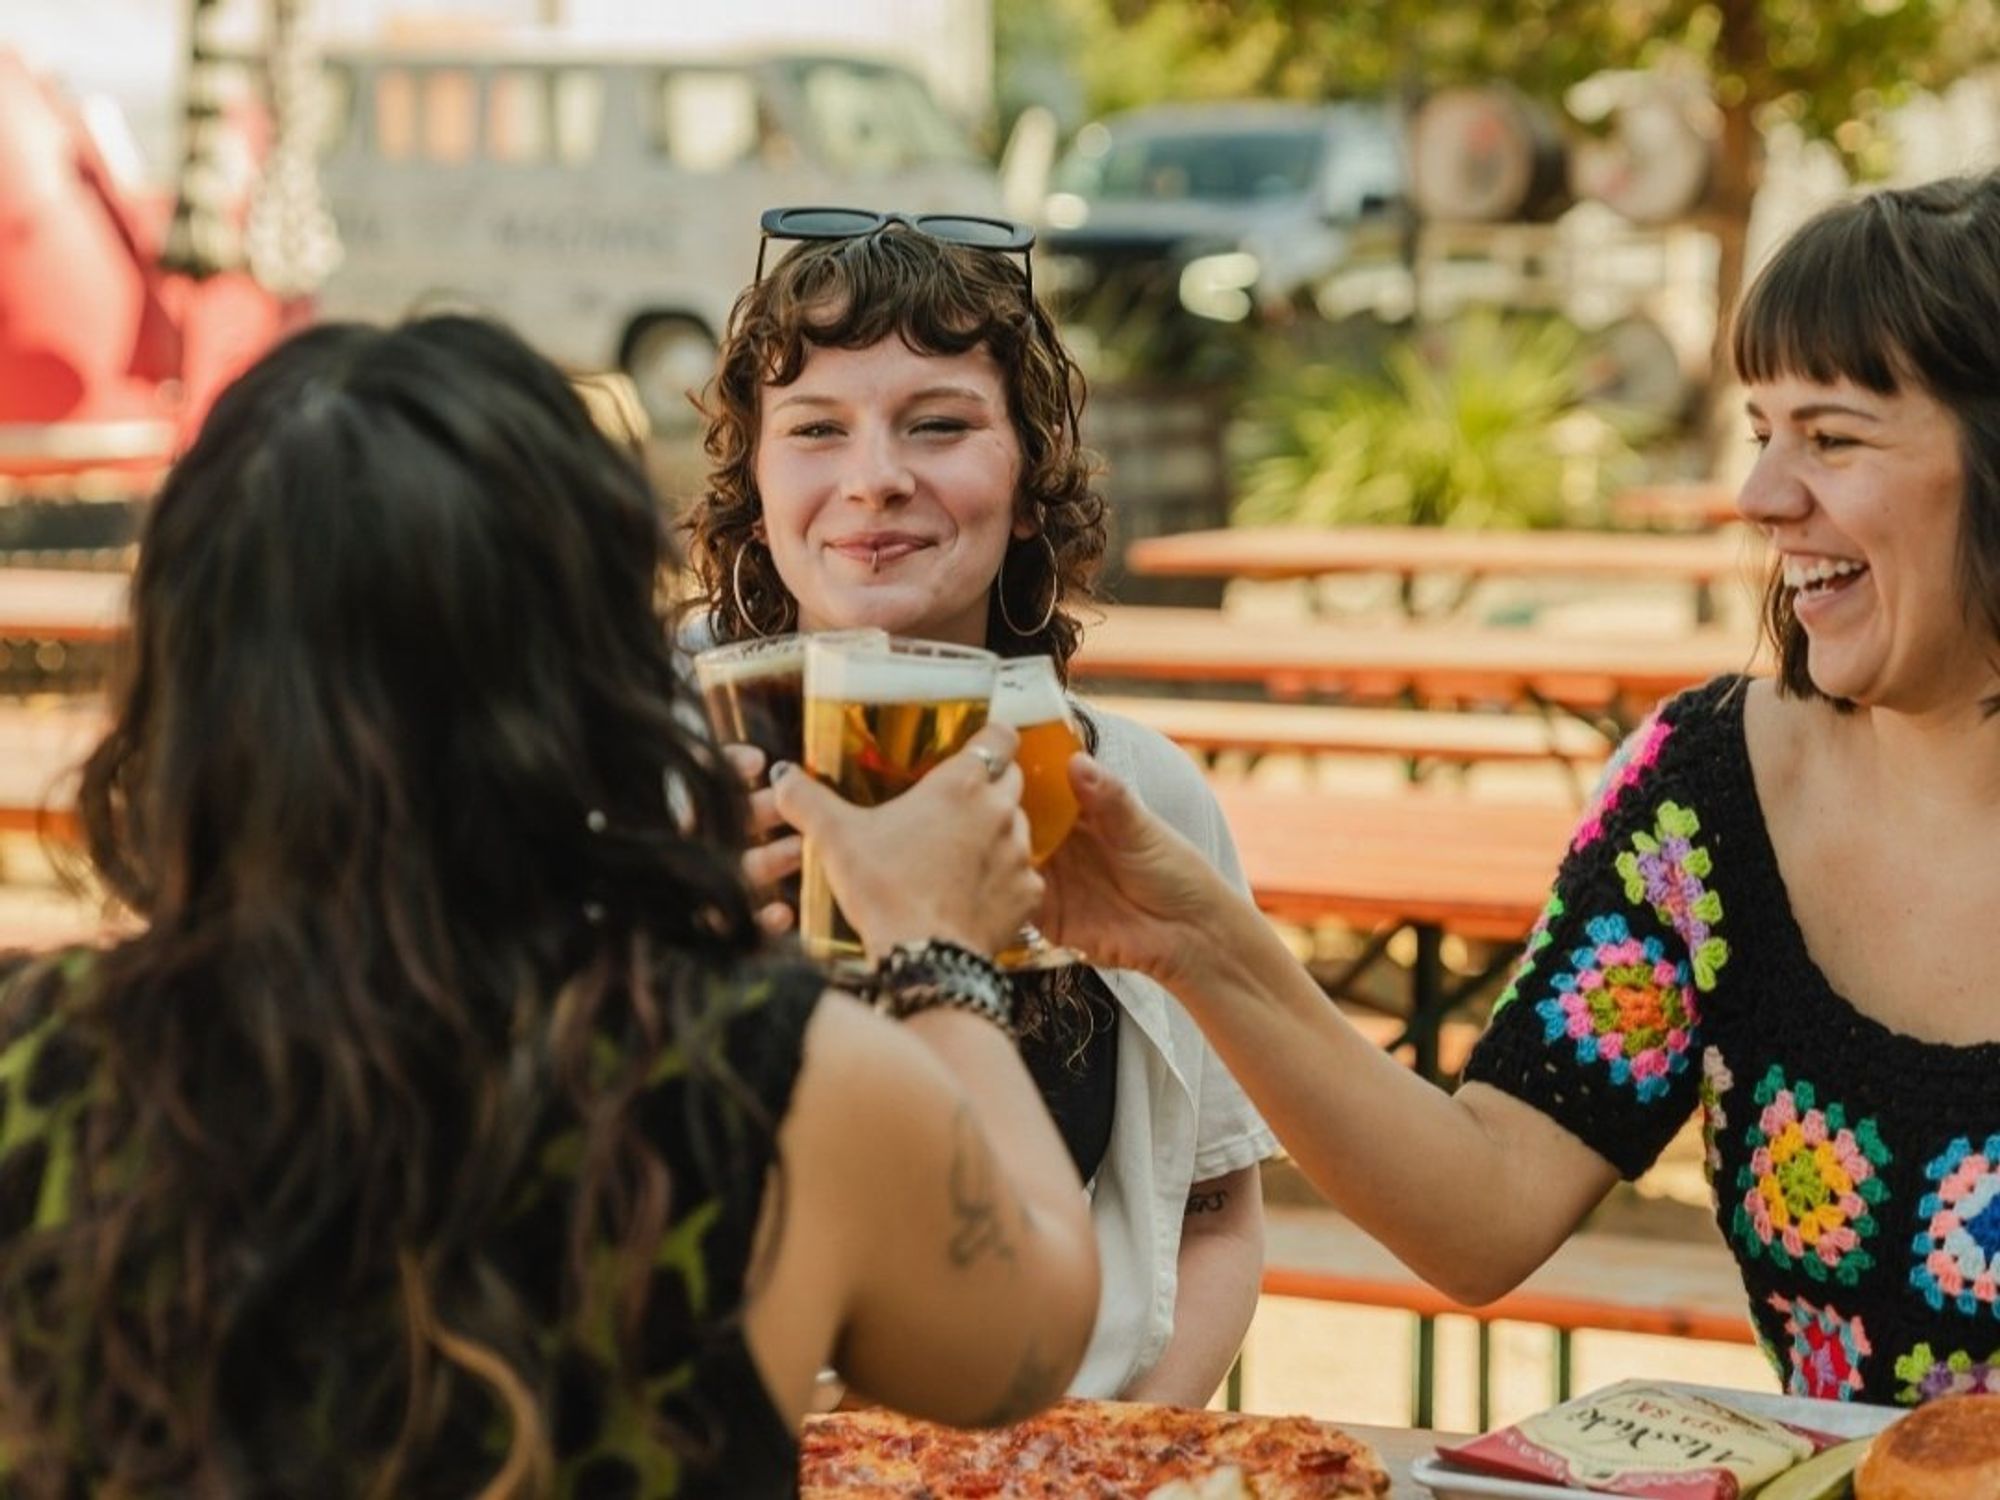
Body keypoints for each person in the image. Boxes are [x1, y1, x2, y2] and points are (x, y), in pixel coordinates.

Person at [0, 315, 1098, 1497]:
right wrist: (936, 952)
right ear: (588, 663)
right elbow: (1027, 1339)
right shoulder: (762, 1079)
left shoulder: (31, 1050)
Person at [1031, 169, 2000, 1409]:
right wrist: (1193, 941)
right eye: (1760, 433)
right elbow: (1482, 1208)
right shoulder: (1708, 799)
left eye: (1832, 438)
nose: (1760, 497)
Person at [687, 211, 1276, 1405]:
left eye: (939, 424)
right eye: (814, 430)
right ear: (755, 487)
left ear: (1027, 487)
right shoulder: (657, 784)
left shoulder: (1131, 796)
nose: (874, 478)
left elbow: (1214, 1218)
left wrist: (1117, 1463)